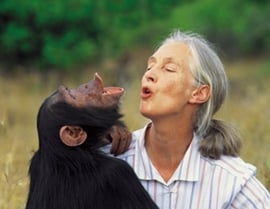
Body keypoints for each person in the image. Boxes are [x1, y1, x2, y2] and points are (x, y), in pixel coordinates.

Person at [102, 29, 270, 208]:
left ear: (199, 93)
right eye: (149, 67)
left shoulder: (232, 184)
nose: (148, 75)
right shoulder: (108, 159)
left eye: (169, 69)